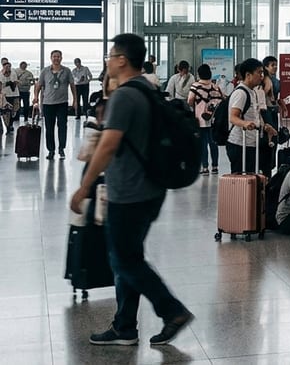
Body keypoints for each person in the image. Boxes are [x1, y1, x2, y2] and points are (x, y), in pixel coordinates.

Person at [69, 33, 193, 347]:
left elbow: (109, 144)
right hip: (151, 188)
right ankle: (125, 326)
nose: (108, 60)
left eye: (111, 55)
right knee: (126, 257)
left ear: (122, 59)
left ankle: (171, 310)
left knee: (125, 261)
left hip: (129, 191)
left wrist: (84, 187)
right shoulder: (149, 88)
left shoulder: (125, 95)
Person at [227, 58, 276, 174]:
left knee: (251, 178)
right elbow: (233, 117)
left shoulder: (252, 91)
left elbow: (253, 115)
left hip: (250, 142)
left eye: (262, 72)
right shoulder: (241, 93)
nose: (262, 76)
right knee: (240, 180)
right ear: (248, 75)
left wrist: (263, 126)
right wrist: (245, 123)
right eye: (259, 72)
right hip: (239, 144)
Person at [34, 49, 76, 159]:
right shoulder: (45, 71)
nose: (56, 58)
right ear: (51, 58)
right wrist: (35, 98)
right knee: (49, 127)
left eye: (58, 56)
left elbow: (72, 85)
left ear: (61, 58)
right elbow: (38, 85)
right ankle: (51, 150)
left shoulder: (66, 71)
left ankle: (61, 149)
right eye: (54, 56)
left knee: (62, 126)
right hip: (48, 103)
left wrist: (75, 100)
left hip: (62, 103)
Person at [187, 64, 224, 175]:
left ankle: (204, 167)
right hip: (213, 119)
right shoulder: (215, 87)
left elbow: (190, 100)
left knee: (202, 143)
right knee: (213, 143)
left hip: (200, 119)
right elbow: (221, 100)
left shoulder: (195, 86)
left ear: (199, 74)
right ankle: (215, 166)